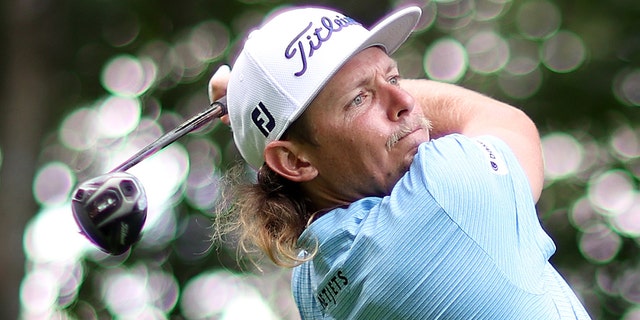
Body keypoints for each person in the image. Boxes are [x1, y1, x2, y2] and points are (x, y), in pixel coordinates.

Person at [208, 4, 591, 319]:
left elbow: (281, 173)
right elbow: (508, 124)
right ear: (293, 161)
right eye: (359, 99)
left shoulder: (311, 281)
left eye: (394, 77)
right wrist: (251, 96)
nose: (405, 101)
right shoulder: (446, 197)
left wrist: (254, 103)